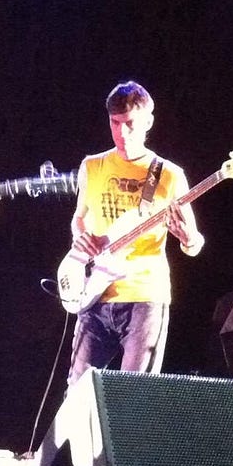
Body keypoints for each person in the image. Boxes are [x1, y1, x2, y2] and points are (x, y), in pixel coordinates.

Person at [66, 81, 204, 386]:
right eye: (115, 123)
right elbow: (79, 219)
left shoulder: (167, 174)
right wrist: (81, 238)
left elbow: (195, 243)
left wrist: (187, 238)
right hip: (95, 295)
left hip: (145, 295)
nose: (122, 133)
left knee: (134, 396)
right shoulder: (92, 166)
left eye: (130, 124)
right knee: (77, 394)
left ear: (147, 122)